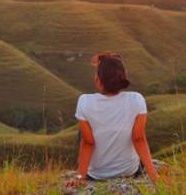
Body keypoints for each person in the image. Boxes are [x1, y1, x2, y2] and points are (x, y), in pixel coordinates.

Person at [67, 52, 159, 187]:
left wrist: (80, 177)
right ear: (122, 78)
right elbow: (138, 139)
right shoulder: (136, 99)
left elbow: (88, 143)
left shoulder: (85, 102)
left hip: (96, 174)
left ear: (98, 79)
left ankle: (85, 171)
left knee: (83, 134)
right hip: (129, 171)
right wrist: (155, 177)